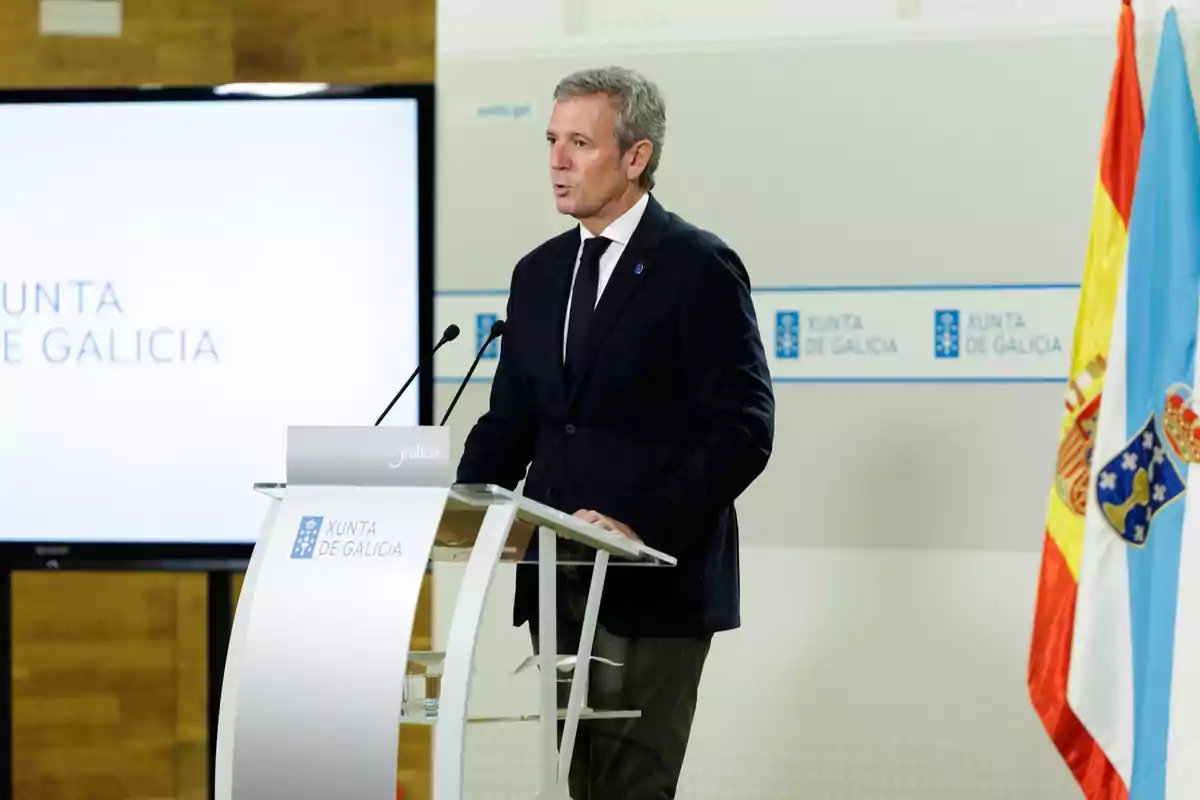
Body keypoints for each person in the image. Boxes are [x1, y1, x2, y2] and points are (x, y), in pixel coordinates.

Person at [455, 65, 775, 799]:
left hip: (650, 580)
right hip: (558, 579)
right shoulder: (538, 274)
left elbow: (744, 427)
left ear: (636, 157)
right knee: (579, 785)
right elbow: (512, 420)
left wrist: (640, 524)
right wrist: (464, 506)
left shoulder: (697, 267)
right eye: (551, 141)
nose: (557, 161)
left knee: (631, 789)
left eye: (580, 143)